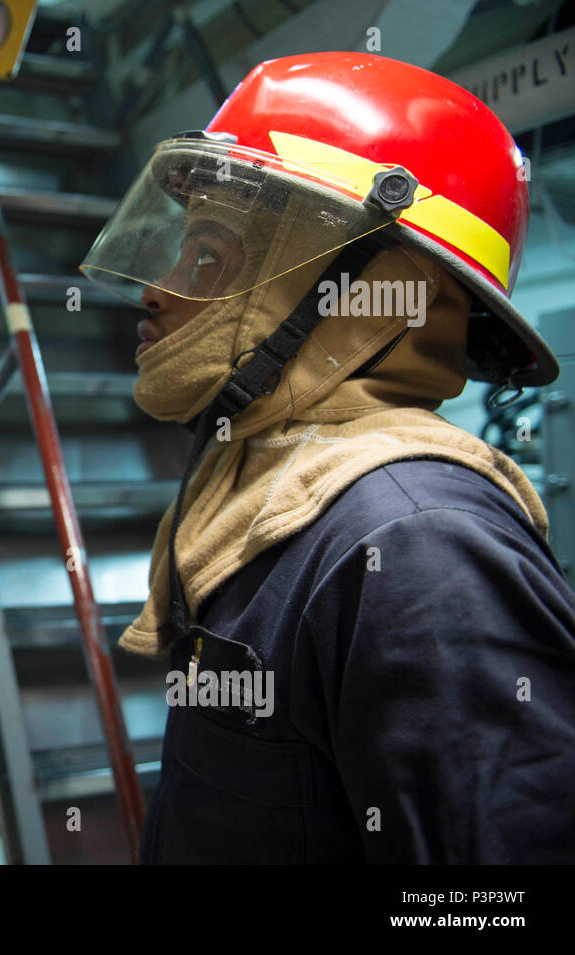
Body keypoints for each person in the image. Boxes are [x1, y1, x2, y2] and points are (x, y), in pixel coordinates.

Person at [80, 52, 575, 863]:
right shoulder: (262, 494)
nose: (155, 289)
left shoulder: (419, 543)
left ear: (353, 287)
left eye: (207, 253)